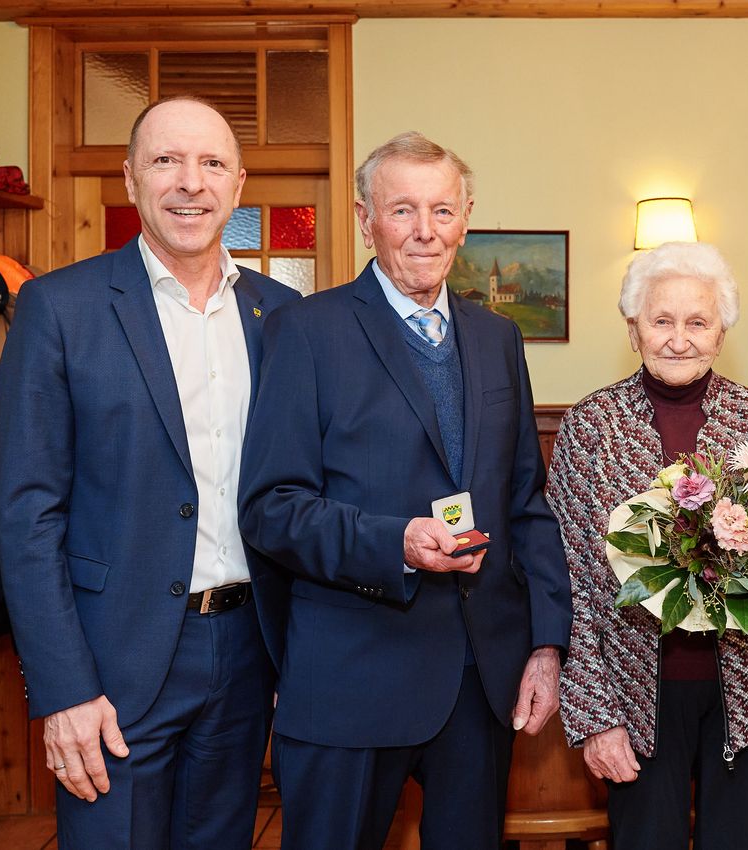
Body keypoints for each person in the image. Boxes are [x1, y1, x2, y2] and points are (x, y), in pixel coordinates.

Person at [237, 131, 572, 850]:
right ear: (366, 220)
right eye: (403, 211)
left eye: (443, 211)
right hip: (352, 675)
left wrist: (546, 645)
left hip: (479, 683)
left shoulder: (496, 337)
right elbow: (271, 508)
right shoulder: (306, 331)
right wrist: (395, 543)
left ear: (467, 217)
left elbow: (525, 502)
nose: (426, 231)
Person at [0, 96, 300, 849]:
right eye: (166, 161)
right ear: (131, 180)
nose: (189, 183)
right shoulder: (58, 308)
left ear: (238, 186)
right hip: (111, 657)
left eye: (211, 164)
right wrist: (64, 689)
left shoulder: (285, 315)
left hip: (246, 651)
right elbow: (28, 515)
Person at [546, 241, 748, 850]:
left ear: (721, 331)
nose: (679, 339)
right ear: (633, 329)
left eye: (698, 322)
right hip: (632, 692)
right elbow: (571, 583)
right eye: (662, 320)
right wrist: (595, 715)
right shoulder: (590, 427)